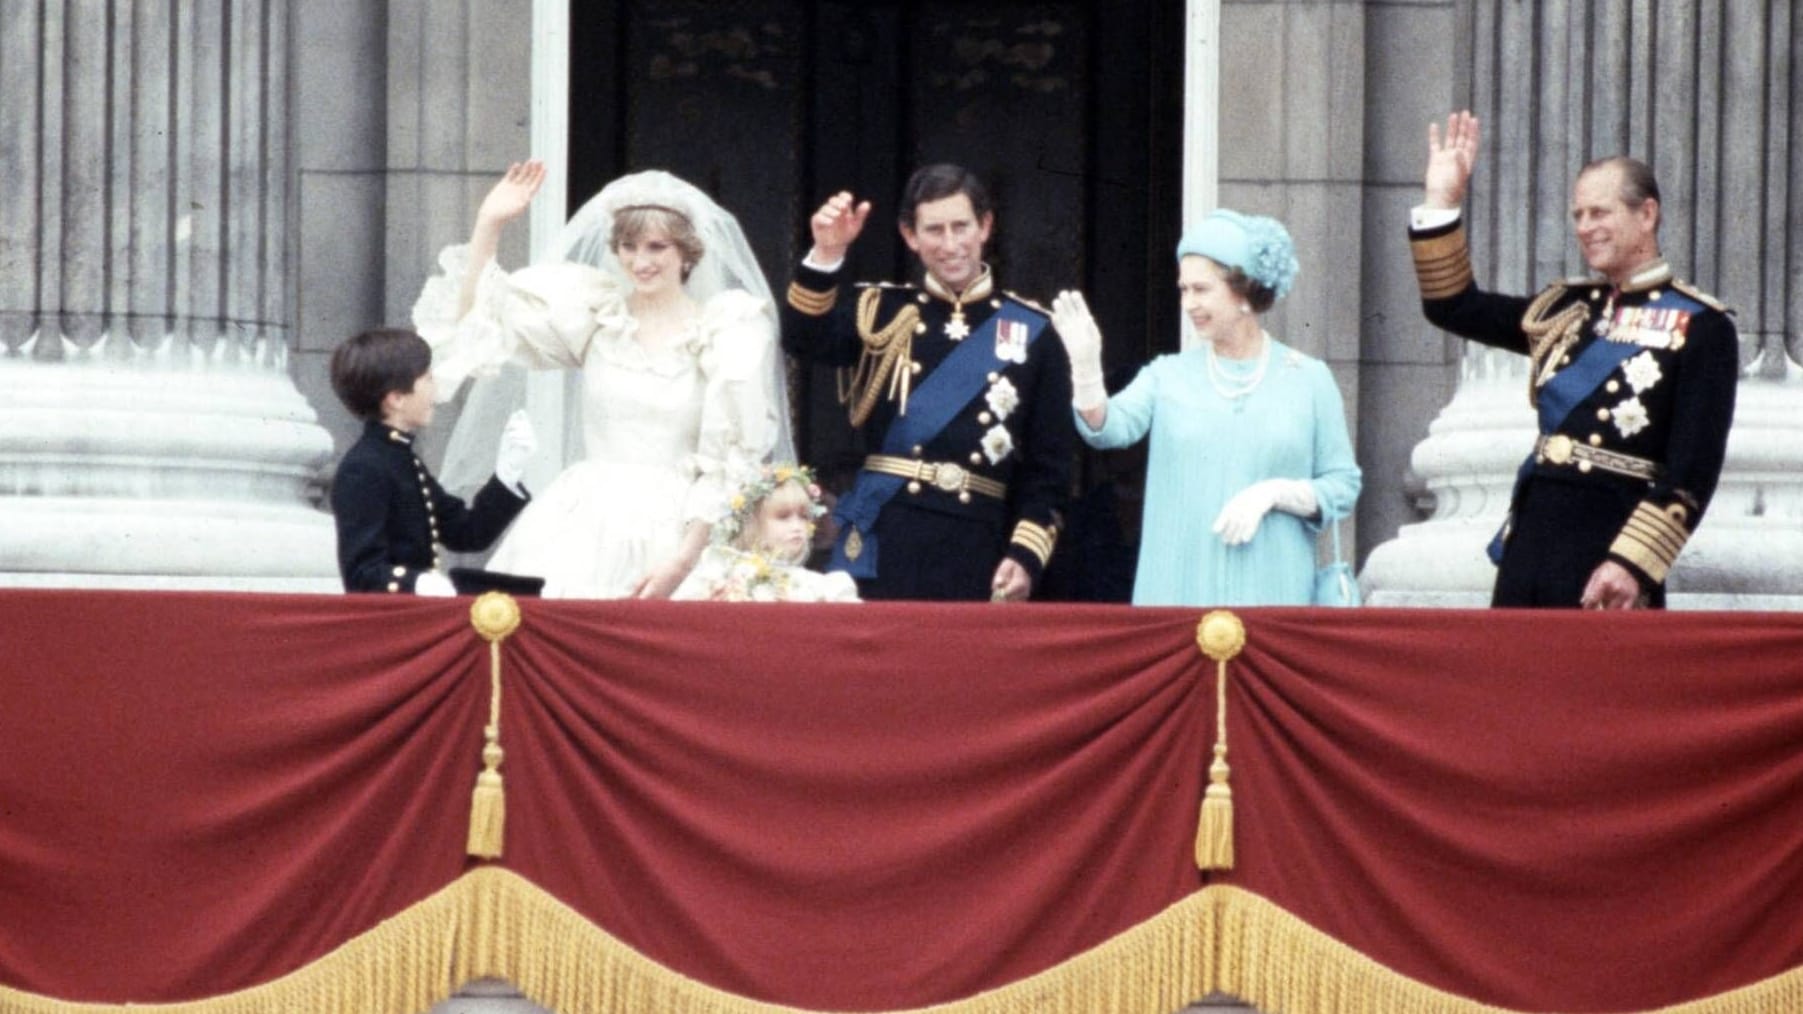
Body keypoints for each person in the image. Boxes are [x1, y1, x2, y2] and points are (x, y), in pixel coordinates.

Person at [412, 161, 792, 598]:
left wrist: (682, 562)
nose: (640, 261)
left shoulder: (724, 332)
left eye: (656, 247)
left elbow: (728, 462)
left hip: (679, 527)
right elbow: (477, 317)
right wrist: (489, 224)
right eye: (629, 246)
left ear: (687, 252)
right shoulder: (595, 314)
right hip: (582, 521)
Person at [1411, 111, 1740, 609]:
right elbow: (1452, 305)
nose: (1586, 228)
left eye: (1600, 213)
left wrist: (1632, 564)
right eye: (1578, 215)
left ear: (1646, 214)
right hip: (1533, 543)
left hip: (1610, 550)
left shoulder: (1702, 326)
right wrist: (1442, 202)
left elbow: (1692, 469)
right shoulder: (1565, 310)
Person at [781, 164, 1072, 602]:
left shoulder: (1034, 333)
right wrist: (826, 254)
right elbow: (803, 338)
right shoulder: (879, 309)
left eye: (962, 226)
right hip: (885, 536)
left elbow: (1048, 470)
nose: (950, 244)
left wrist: (1025, 554)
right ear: (910, 236)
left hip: (978, 545)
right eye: (934, 230)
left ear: (986, 226)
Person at [1049, 210, 1361, 606]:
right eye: (1183, 290)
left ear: (1242, 289)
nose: (1188, 303)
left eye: (1202, 289)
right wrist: (1086, 367)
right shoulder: (1166, 375)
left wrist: (1277, 493)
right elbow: (1107, 428)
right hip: (1179, 593)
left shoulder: (1309, 379)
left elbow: (1343, 484)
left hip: (1275, 592)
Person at [328, 328, 534, 595]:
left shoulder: (401, 459)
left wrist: (507, 474)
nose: (435, 388)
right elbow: (362, 574)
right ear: (396, 399)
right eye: (426, 378)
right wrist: (416, 582)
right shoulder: (364, 468)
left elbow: (467, 532)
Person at [672, 464, 860, 602]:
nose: (797, 526)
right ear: (754, 524)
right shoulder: (716, 574)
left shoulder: (820, 587)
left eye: (803, 517)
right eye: (783, 517)